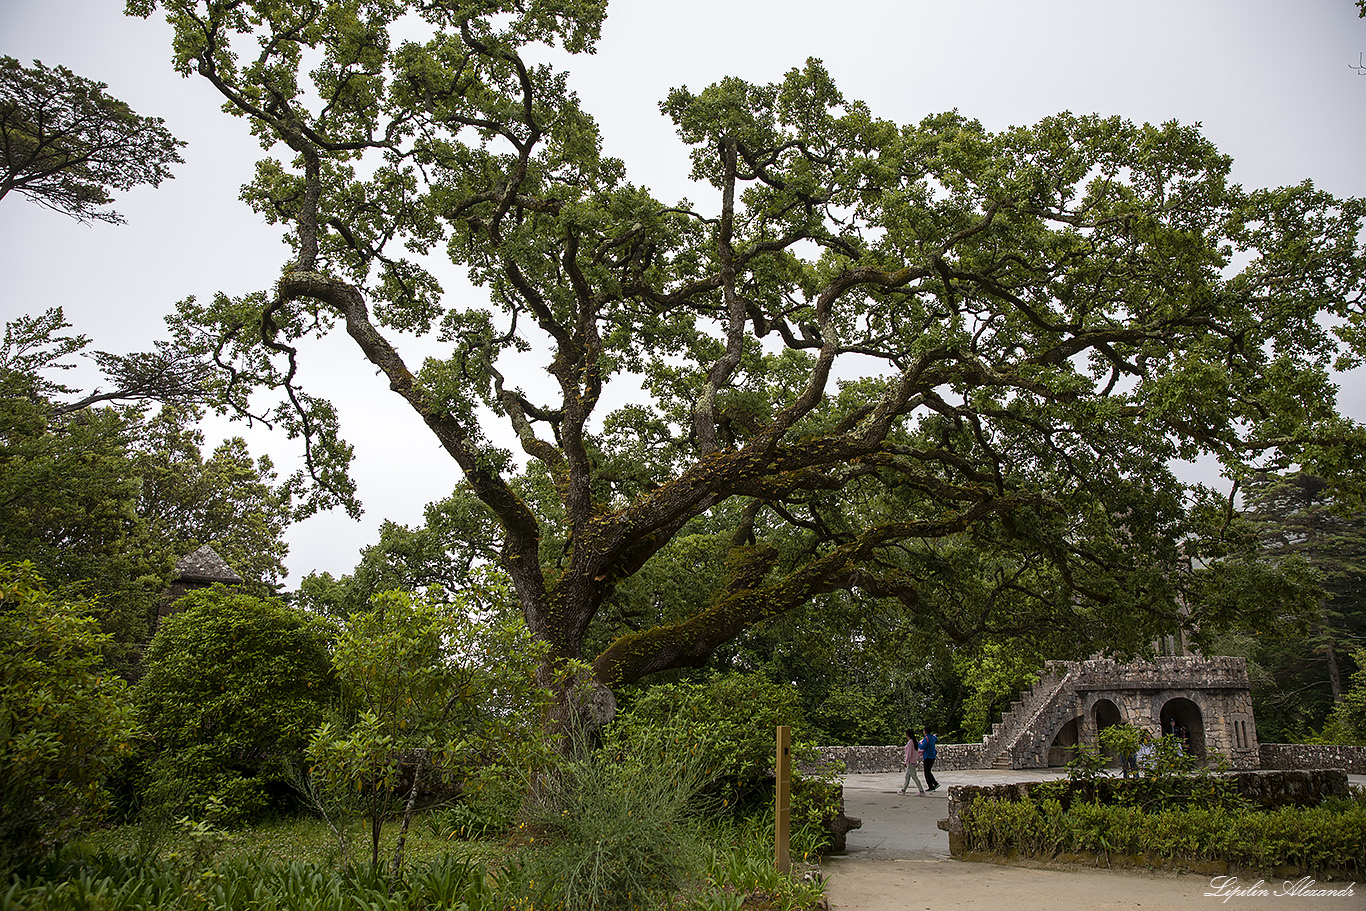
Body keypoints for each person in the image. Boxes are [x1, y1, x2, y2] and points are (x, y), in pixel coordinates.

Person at [899, 728, 925, 796]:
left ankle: (921, 790)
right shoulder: (915, 741)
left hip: (910, 762)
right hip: (913, 761)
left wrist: (906, 762)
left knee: (914, 776)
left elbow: (909, 754)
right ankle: (903, 790)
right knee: (907, 776)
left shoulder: (910, 742)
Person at [920, 725, 939, 791]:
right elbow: (935, 737)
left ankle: (931, 786)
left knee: (926, 772)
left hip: (927, 756)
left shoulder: (926, 738)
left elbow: (923, 747)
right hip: (932, 756)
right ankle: (935, 783)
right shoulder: (932, 737)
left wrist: (918, 743)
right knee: (929, 771)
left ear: (925, 731)